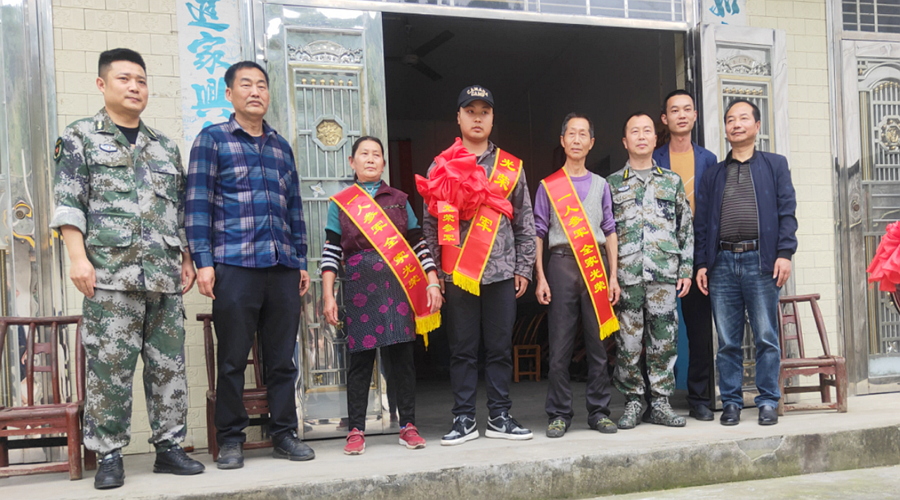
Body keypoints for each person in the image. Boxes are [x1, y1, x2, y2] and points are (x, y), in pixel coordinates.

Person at [51, 48, 204, 489]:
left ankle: (169, 448)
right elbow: (69, 203)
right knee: (110, 371)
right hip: (110, 277)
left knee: (168, 367)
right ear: (102, 84)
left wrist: (187, 258)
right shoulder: (80, 136)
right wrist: (78, 258)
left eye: (141, 80)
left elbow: (177, 211)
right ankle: (109, 455)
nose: (135, 87)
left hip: (163, 278)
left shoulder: (164, 146)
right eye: (124, 79)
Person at [186, 61, 314, 469]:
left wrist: (300, 259)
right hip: (234, 264)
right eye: (246, 85)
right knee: (232, 359)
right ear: (230, 94)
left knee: (282, 359)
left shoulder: (280, 147)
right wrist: (203, 262)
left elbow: (294, 208)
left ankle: (284, 434)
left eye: (261, 85)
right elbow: (197, 204)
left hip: (281, 265)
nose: (255, 91)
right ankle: (230, 439)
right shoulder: (212, 140)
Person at [419, 85, 536, 445]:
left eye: (484, 112)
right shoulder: (441, 166)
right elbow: (430, 224)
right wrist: (435, 274)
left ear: (492, 118)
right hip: (458, 272)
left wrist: (524, 267)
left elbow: (525, 221)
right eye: (470, 111)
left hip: (501, 270)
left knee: (500, 349)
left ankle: (500, 416)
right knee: (463, 350)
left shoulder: (511, 167)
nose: (477, 118)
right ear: (458, 117)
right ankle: (464, 419)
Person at [321, 136, 442, 455]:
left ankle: (408, 426)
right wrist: (328, 295)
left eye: (376, 154)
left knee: (402, 359)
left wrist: (432, 280)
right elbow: (331, 251)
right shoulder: (341, 203)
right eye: (364, 154)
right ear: (352, 162)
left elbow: (418, 243)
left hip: (397, 287)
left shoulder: (400, 200)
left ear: (384, 163)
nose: (371, 159)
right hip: (359, 287)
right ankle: (356, 430)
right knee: (360, 361)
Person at [694, 99, 798, 426]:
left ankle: (767, 401)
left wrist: (785, 253)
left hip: (762, 262)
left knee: (766, 336)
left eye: (743, 118)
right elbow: (702, 225)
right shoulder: (713, 174)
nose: (736, 124)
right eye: (730, 120)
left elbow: (787, 212)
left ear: (757, 126)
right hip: (722, 263)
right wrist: (701, 264)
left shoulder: (775, 165)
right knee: (727, 341)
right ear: (725, 129)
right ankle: (731, 403)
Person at [534, 113, 620, 438]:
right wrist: (540, 276)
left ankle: (599, 412)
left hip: (595, 265)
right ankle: (559, 413)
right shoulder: (549, 186)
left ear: (591, 142)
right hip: (560, 264)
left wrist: (613, 275)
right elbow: (538, 232)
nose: (577, 139)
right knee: (559, 346)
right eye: (571, 133)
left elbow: (609, 230)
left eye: (583, 134)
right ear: (562, 140)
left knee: (598, 345)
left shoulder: (601, 185)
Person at [607, 112, 693, 430]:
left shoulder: (671, 181)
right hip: (627, 277)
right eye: (635, 131)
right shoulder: (611, 184)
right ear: (625, 141)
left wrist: (686, 269)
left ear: (656, 139)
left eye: (647, 131)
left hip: (663, 276)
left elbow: (685, 228)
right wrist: (609, 276)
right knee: (627, 343)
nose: (641, 136)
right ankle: (633, 401)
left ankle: (660, 403)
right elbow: (605, 234)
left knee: (663, 342)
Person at [652, 90, 719, 421]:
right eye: (674, 110)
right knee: (656, 328)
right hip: (660, 254)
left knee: (699, 330)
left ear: (694, 116)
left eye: (687, 109)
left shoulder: (709, 160)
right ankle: (655, 398)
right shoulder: (654, 157)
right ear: (665, 119)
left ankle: (699, 398)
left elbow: (712, 212)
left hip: (697, 255)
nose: (681, 115)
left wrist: (704, 259)